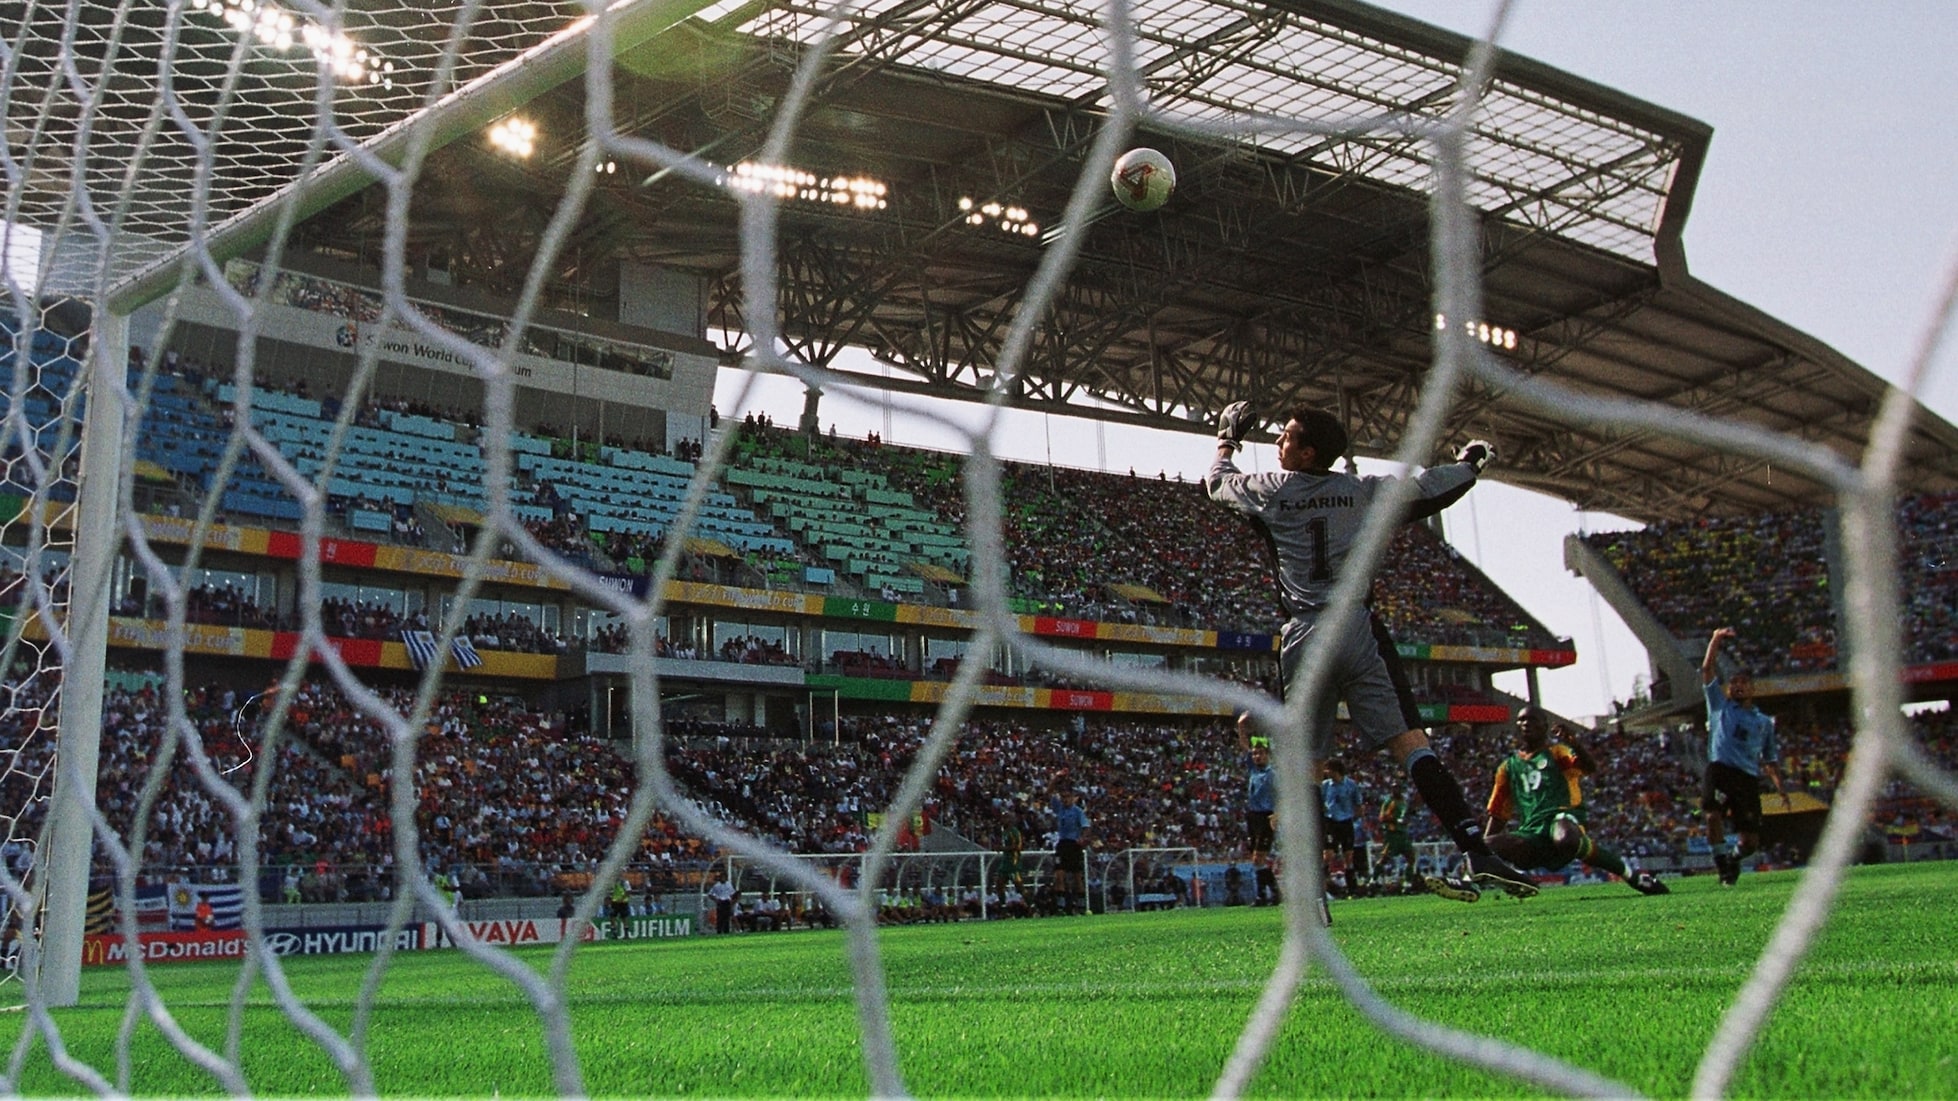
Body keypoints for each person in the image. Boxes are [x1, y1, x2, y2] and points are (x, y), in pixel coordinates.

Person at [1205, 403, 1537, 900]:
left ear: (1309, 451)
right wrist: (1471, 463)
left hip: (1304, 636)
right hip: (1357, 627)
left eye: (1288, 438)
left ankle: (1311, 886)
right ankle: (1475, 850)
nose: (1279, 442)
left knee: (1308, 764)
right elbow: (1431, 489)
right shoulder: (1361, 494)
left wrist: (1226, 439)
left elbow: (1216, 484)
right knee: (1412, 745)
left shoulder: (1271, 492)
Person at [1482, 707, 1670, 896]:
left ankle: (1633, 876)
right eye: (1521, 720)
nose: (1526, 724)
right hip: (1531, 831)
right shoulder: (1507, 768)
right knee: (1487, 844)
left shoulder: (1557, 753)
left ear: (1545, 726)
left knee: (1565, 838)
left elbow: (1589, 767)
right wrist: (1480, 850)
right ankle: (1516, 881)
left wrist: (1575, 744)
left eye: (1532, 719)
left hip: (1562, 816)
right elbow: (1498, 814)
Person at [1702, 627, 1789, 885]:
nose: (1737, 686)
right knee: (1712, 815)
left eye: (1743, 683)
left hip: (1747, 779)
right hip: (1719, 770)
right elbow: (1707, 671)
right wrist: (1715, 640)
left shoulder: (1763, 722)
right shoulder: (1719, 706)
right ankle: (1722, 866)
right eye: (1734, 683)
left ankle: (1733, 858)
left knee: (1750, 842)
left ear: (1753, 689)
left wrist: (1780, 788)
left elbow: (1770, 758)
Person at [1235, 712, 1280, 906]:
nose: (1256, 756)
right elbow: (1244, 745)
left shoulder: (1273, 773)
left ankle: (1263, 895)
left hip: (1267, 816)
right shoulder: (1254, 769)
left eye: (1260, 753)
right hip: (1253, 816)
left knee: (1258, 857)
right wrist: (1240, 726)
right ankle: (1273, 892)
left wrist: (1277, 814)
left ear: (1267, 754)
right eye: (1255, 753)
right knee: (1256, 859)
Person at [1319, 760, 1367, 896]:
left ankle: (1352, 889)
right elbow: (1320, 802)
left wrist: (1356, 818)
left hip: (1346, 822)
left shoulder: (1351, 785)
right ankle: (1321, 885)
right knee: (1328, 855)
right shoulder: (1325, 786)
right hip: (1330, 822)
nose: (1325, 772)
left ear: (1335, 770)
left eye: (1328, 769)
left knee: (1348, 856)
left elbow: (1358, 804)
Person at [1050, 785, 1090, 915]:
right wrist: (1056, 779)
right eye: (1063, 797)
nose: (1065, 800)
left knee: (1077, 877)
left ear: (1073, 798)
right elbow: (1048, 792)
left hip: (1074, 845)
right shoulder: (1060, 809)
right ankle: (1061, 907)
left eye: (1067, 797)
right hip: (1062, 844)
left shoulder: (1078, 811)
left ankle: (1081, 906)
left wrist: (1082, 838)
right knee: (1059, 875)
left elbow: (1086, 826)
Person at [1376, 785, 1421, 893]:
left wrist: (1411, 814)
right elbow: (1382, 817)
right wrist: (1396, 820)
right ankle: (1373, 881)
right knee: (1384, 858)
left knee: (1411, 857)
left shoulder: (1404, 802)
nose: (1396, 791)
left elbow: (1405, 816)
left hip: (1403, 834)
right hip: (1393, 834)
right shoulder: (1389, 801)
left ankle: (1407, 884)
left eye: (1398, 788)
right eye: (1394, 789)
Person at [707, 869, 737, 934]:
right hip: (721, 902)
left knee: (727, 917)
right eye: (721, 877)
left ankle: (726, 931)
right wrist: (716, 900)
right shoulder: (716, 885)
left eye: (724, 877)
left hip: (727, 902)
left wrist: (732, 900)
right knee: (720, 918)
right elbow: (710, 894)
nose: (723, 878)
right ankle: (719, 931)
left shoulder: (729, 884)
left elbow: (732, 893)